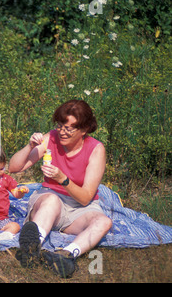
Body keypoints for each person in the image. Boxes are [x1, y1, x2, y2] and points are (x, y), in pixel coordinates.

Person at [8, 99, 112, 278]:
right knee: (51, 200)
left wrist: (62, 179)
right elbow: (14, 167)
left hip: (80, 208)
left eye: (68, 128)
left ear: (84, 129)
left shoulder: (96, 149)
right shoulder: (51, 138)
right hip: (50, 200)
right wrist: (30, 146)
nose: (62, 132)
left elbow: (86, 198)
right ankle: (32, 248)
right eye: (60, 126)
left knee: (104, 222)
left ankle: (66, 255)